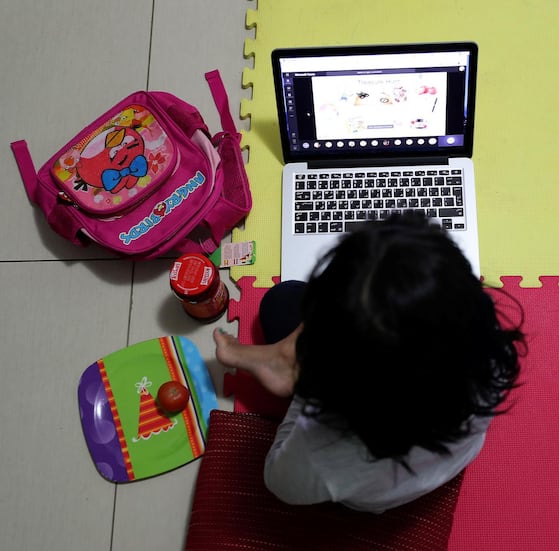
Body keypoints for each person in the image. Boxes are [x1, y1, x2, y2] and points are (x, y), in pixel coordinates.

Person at [213, 211, 525, 513]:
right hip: (451, 452)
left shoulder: (322, 448)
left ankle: (290, 360)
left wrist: (306, 391)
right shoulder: (484, 344)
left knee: (280, 301)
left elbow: (277, 482)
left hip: (373, 495)